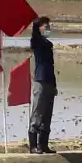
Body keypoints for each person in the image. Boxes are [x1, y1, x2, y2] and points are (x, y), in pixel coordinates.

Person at [28, 16, 57, 154]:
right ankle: (33, 146)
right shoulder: (37, 41)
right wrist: (35, 21)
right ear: (39, 28)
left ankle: (43, 145)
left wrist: (54, 85)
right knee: (37, 112)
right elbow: (34, 33)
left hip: (49, 81)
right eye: (46, 26)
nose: (48, 29)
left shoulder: (48, 44)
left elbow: (51, 66)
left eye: (49, 26)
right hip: (40, 81)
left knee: (47, 114)